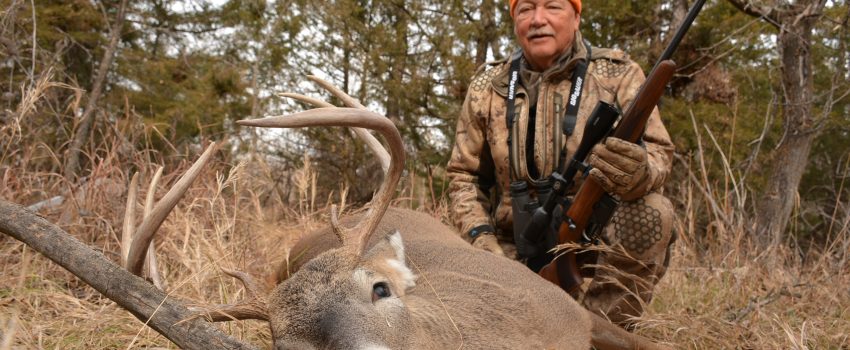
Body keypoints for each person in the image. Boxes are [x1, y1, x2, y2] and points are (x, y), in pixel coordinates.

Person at [446, 0, 676, 329]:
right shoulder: (488, 86)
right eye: (525, 9)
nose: (538, 20)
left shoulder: (618, 75)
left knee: (653, 210)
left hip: (595, 242)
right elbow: (463, 178)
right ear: (514, 20)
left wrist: (640, 172)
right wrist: (481, 241)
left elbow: (658, 153)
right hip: (509, 252)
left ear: (577, 16)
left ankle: (605, 331)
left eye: (553, 6)